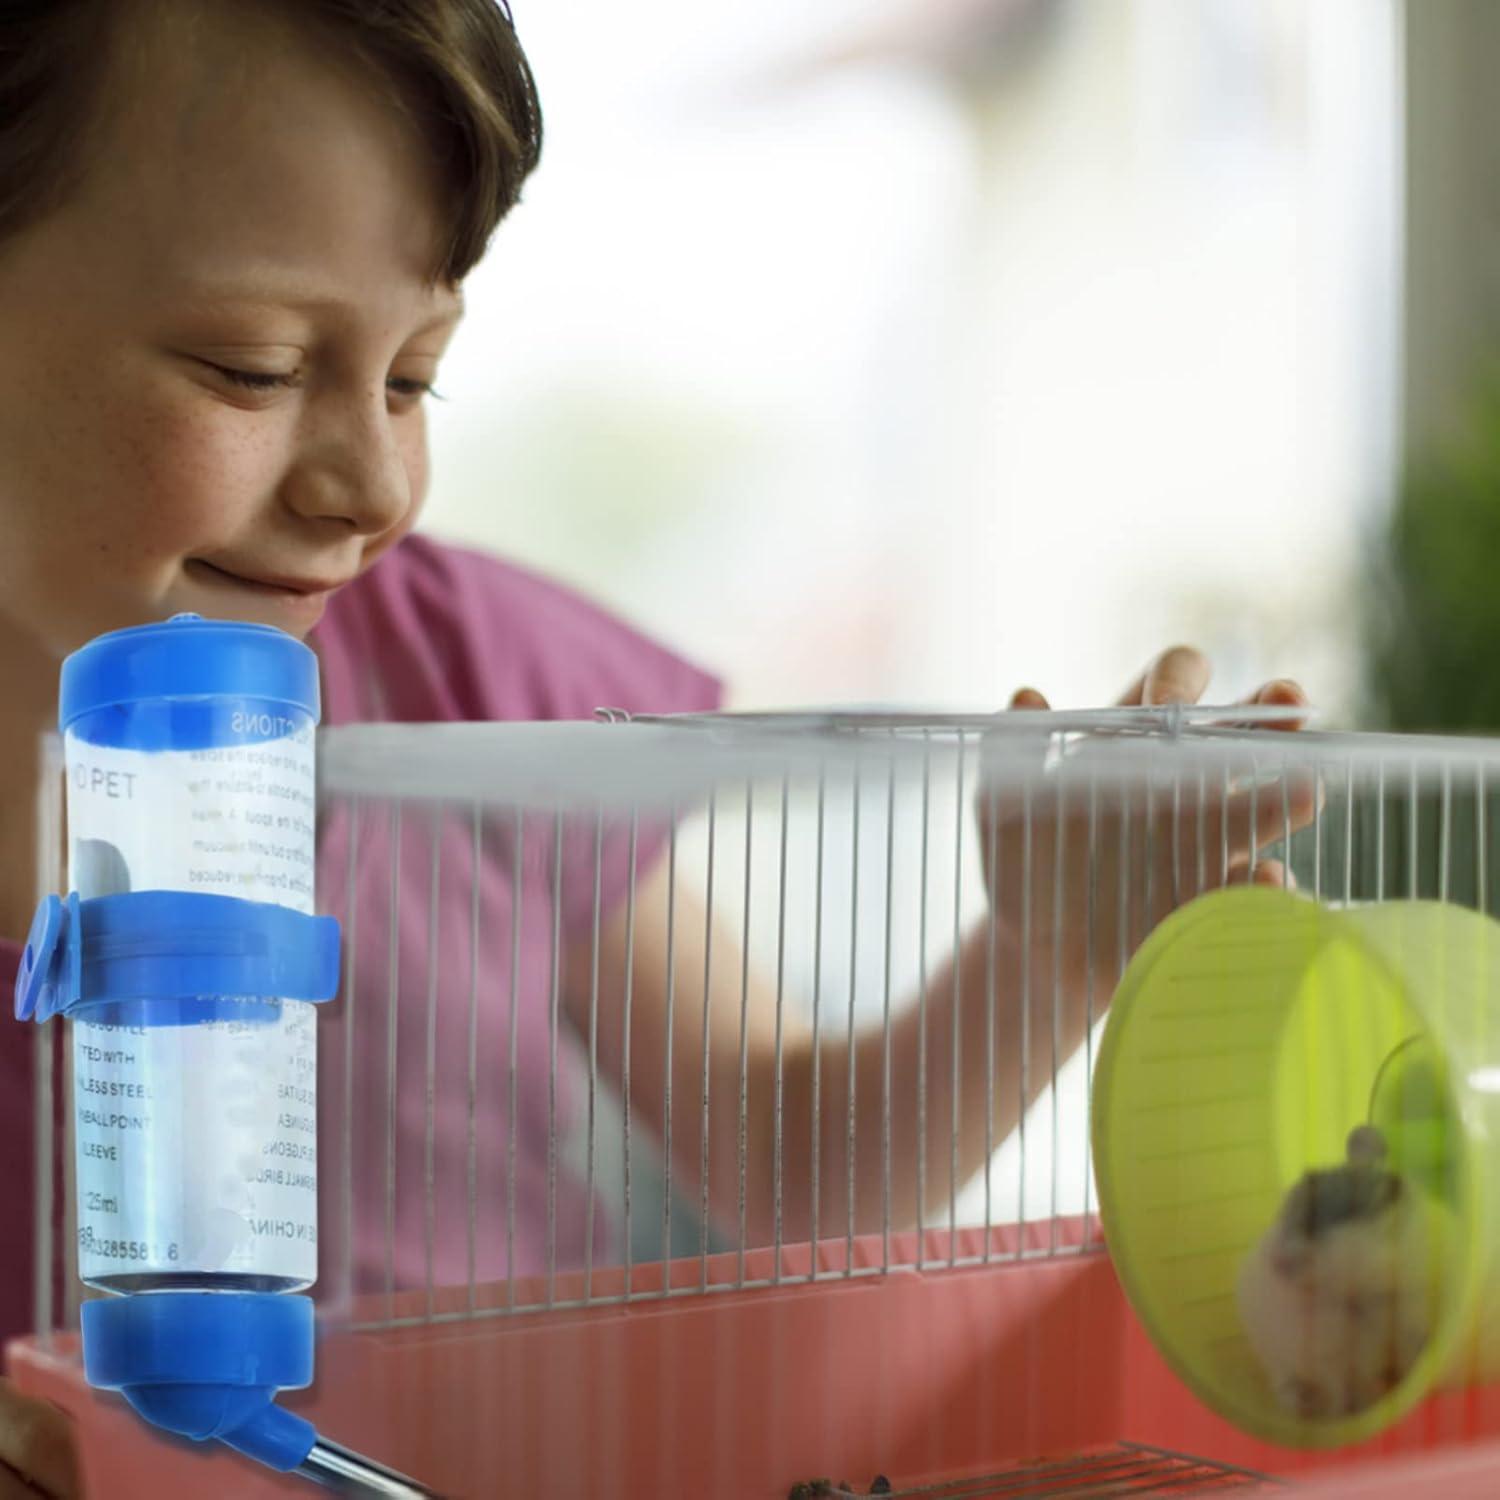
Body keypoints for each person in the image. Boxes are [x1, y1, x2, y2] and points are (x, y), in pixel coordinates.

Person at [0, 2, 1309, 1494]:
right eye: (250, 366)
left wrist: (1050, 955)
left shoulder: (476, 682)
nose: (373, 483)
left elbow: (800, 1164)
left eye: (416, 376)